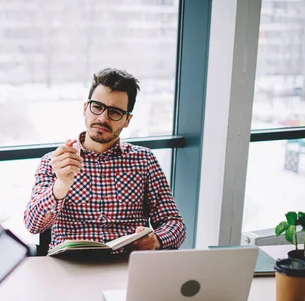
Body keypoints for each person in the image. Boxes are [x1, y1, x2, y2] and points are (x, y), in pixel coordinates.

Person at [24, 68, 186, 251]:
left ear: (127, 120)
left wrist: (156, 240)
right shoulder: (56, 161)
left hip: (125, 264)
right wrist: (60, 185)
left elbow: (175, 224)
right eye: (97, 107)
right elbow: (33, 225)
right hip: (70, 267)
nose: (103, 118)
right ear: (86, 108)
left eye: (115, 112)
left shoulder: (144, 160)